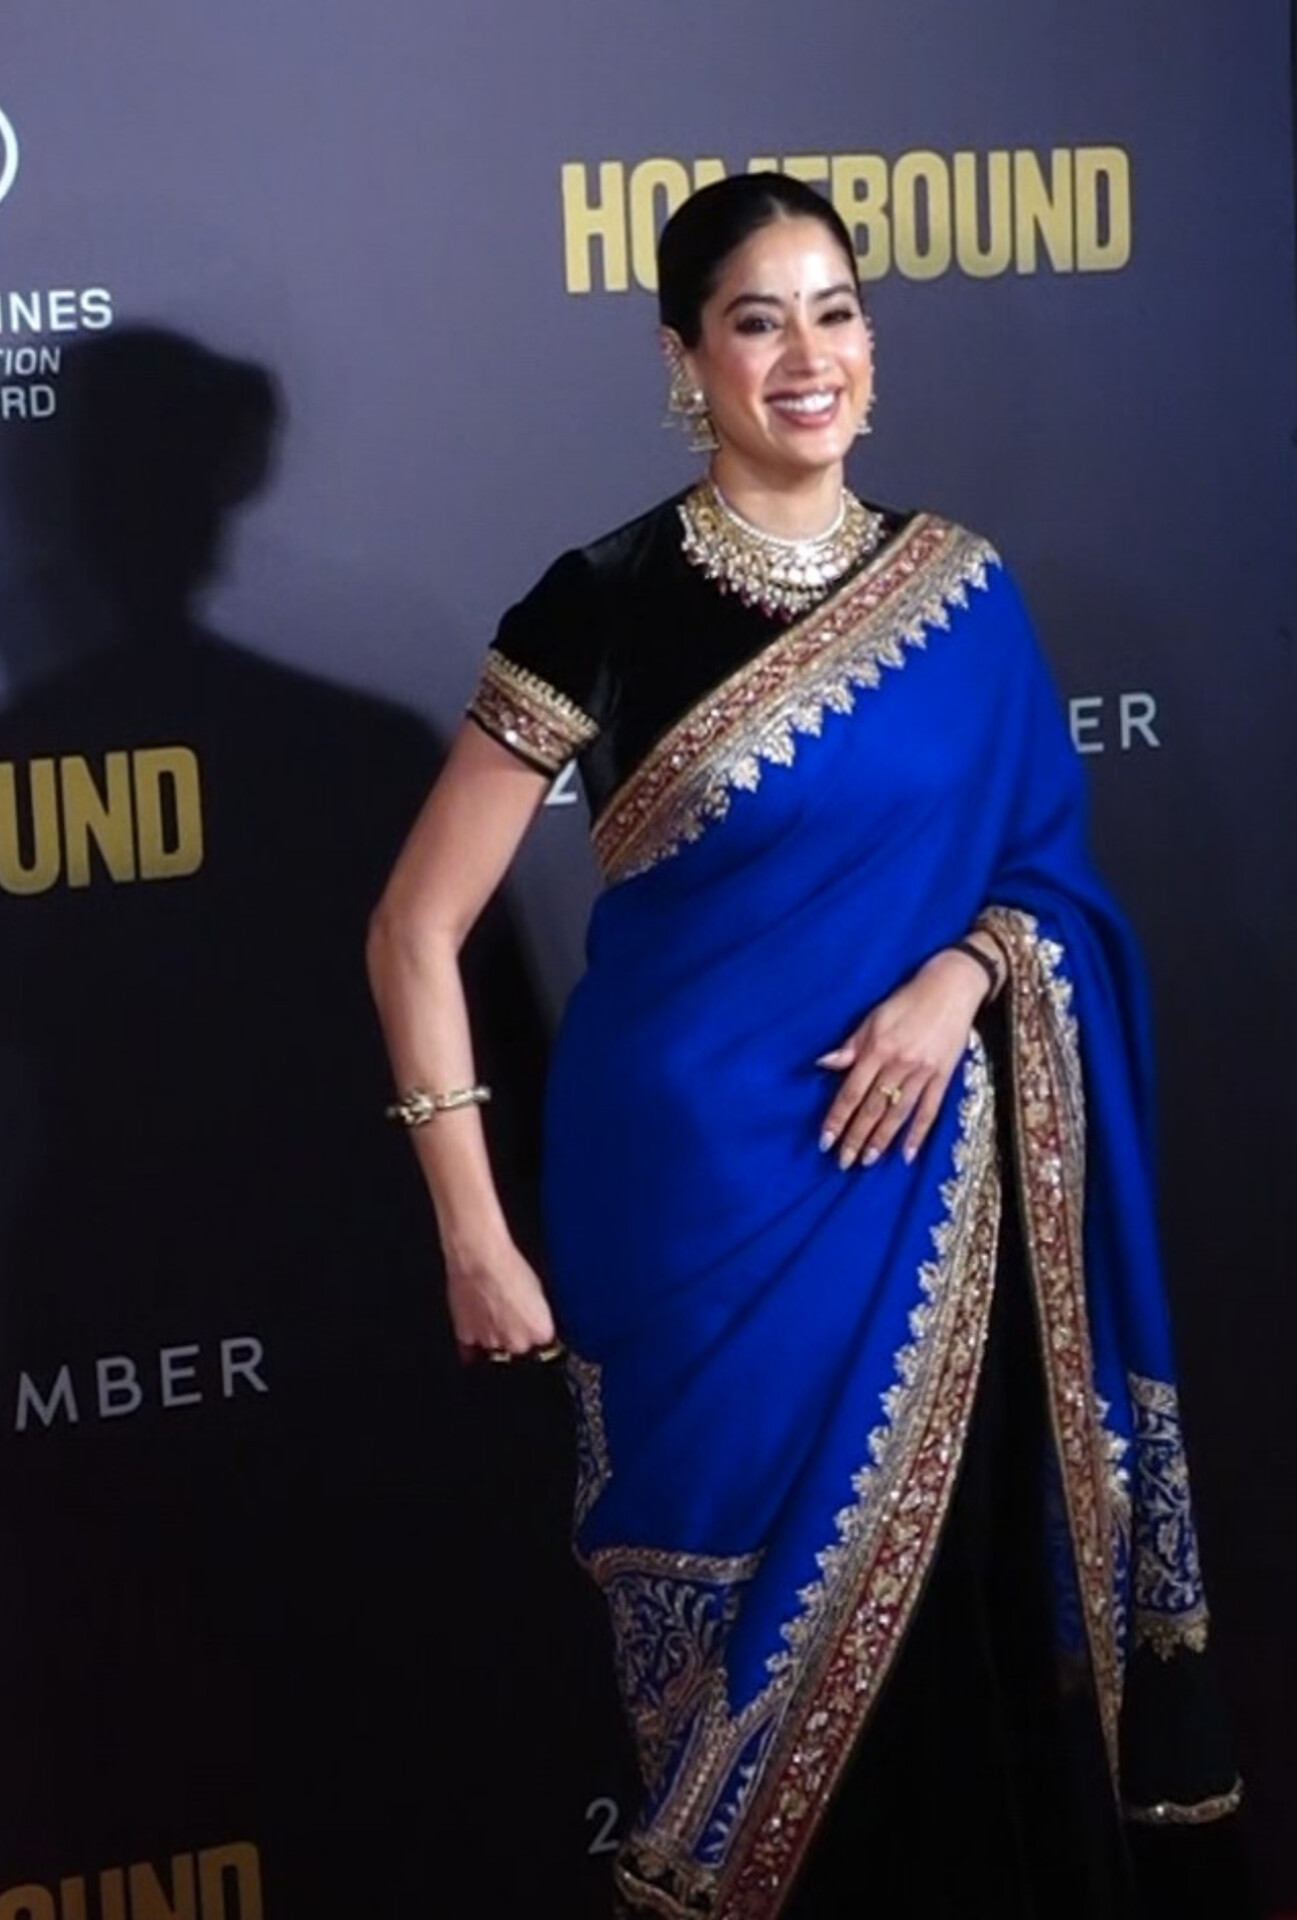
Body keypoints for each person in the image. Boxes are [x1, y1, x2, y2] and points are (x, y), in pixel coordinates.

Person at [366, 174, 1253, 1919]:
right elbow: (412, 930)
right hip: (688, 1213)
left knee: (961, 1644)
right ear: (681, 357)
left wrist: (965, 976)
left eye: (833, 310)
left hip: (929, 1196)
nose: (804, 355)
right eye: (755, 319)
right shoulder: (600, 600)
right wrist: (472, 1229)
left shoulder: (963, 592)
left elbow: (1047, 882)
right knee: (720, 1699)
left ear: (871, 338)